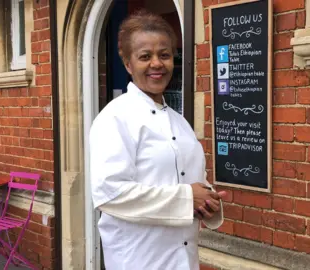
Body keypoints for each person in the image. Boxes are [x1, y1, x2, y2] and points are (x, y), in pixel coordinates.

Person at [89, 10, 225, 270]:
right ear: (128, 64)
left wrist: (208, 202)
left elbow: (193, 182)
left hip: (184, 259)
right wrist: (187, 198)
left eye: (164, 55)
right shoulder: (115, 118)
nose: (156, 63)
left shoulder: (180, 122)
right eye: (145, 56)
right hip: (140, 260)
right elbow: (109, 192)